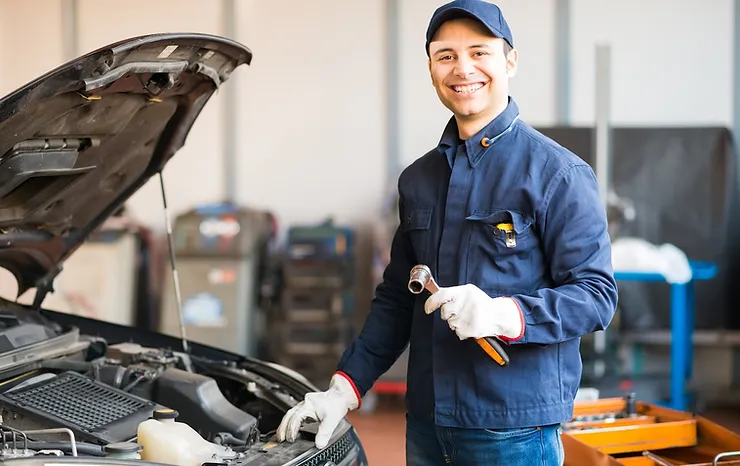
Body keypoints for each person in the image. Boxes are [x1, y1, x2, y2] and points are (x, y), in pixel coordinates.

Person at [276, 1, 618, 464]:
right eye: (446, 56)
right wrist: (344, 387)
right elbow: (398, 297)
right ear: (432, 68)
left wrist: (504, 314)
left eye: (480, 52)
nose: (463, 69)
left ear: (510, 60)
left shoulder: (557, 173)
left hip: (512, 428)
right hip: (427, 423)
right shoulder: (418, 179)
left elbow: (596, 296)